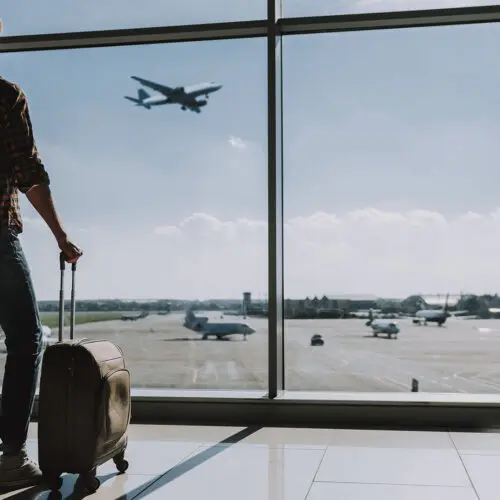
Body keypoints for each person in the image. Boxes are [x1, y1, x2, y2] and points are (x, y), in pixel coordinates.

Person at [0, 76, 83, 489]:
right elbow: (27, 171)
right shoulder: (5, 96)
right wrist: (60, 235)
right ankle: (11, 456)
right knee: (27, 337)